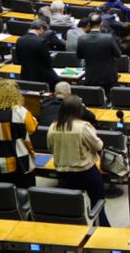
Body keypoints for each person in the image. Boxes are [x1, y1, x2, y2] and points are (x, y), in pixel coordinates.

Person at [47, 95, 110, 226]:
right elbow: (98, 145)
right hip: (85, 171)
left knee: (73, 204)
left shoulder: (53, 127)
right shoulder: (83, 127)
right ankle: (103, 228)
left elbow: (50, 148)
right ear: (78, 110)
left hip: (63, 172)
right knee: (98, 200)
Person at [77, 13, 121, 92]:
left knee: (94, 101)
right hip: (109, 77)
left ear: (89, 24)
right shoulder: (108, 38)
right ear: (101, 24)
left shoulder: (81, 39)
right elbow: (118, 55)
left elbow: (79, 56)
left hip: (91, 77)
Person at [16, 19, 59, 90]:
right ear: (41, 28)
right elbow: (47, 62)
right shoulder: (41, 41)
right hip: (41, 77)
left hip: (25, 75)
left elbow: (19, 59)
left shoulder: (19, 39)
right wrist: (52, 57)